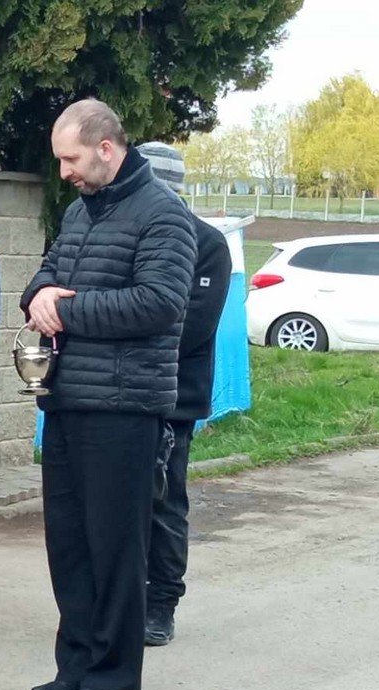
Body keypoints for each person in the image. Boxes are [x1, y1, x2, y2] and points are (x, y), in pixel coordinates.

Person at [21, 99, 195, 690]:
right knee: (69, 545)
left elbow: (159, 303)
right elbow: (43, 277)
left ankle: (116, 677)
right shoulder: (79, 211)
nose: (64, 171)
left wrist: (64, 309)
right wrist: (39, 296)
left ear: (105, 148)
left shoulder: (163, 215)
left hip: (125, 407)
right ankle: (75, 666)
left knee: (114, 546)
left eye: (70, 158)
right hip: (67, 398)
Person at [131, 142, 231, 647]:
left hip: (174, 396)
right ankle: (122, 598)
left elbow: (192, 326)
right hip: (119, 391)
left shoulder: (207, 243)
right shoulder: (128, 231)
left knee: (164, 500)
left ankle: (161, 602)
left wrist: (123, 344)